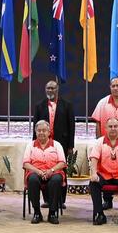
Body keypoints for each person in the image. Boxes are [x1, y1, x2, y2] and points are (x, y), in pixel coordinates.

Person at [32, 79, 75, 209]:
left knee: (60, 171)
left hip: (61, 144)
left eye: (53, 88)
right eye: (48, 88)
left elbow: (71, 126)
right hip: (44, 145)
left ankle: (61, 200)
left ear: (57, 90)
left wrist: (70, 146)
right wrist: (34, 143)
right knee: (44, 169)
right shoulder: (39, 106)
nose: (50, 90)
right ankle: (47, 200)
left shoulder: (67, 105)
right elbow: (35, 127)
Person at [88, 118, 118, 227]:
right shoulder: (99, 141)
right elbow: (94, 158)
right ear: (105, 128)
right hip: (104, 175)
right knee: (93, 183)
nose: (113, 129)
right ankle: (99, 214)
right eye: (110, 126)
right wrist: (94, 173)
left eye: (115, 126)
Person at [22, 120, 66, 225]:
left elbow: (62, 163)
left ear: (49, 132)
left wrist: (51, 171)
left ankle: (52, 213)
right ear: (35, 132)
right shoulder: (30, 145)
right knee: (32, 180)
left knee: (56, 181)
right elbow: (25, 164)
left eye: (44, 130)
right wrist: (38, 171)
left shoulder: (56, 145)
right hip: (36, 172)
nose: (41, 133)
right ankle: (37, 213)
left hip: (53, 172)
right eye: (39, 131)